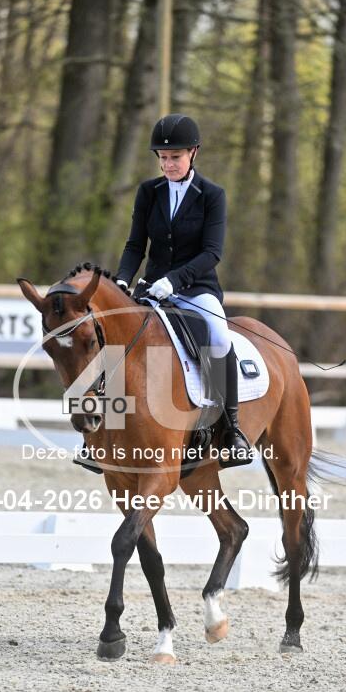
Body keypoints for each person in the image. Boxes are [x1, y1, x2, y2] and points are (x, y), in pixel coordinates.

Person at [115, 113, 252, 467]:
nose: (168, 164)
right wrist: (122, 280)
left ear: (193, 152)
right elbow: (135, 245)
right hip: (152, 288)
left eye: (175, 157)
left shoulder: (212, 195)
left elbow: (212, 253)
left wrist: (174, 281)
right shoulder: (149, 192)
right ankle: (104, 427)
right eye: (162, 158)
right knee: (115, 335)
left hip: (196, 290)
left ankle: (231, 428)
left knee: (219, 336)